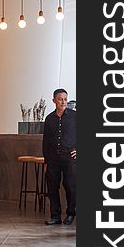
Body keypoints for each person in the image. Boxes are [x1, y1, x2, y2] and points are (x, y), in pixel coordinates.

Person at [43, 88, 76, 226]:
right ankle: (55, 216)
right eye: (60, 99)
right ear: (54, 101)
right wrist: (46, 161)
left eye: (65, 99)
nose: (63, 101)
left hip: (70, 157)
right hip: (53, 158)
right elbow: (46, 141)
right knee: (52, 187)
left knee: (70, 186)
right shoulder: (49, 119)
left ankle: (70, 214)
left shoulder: (75, 116)